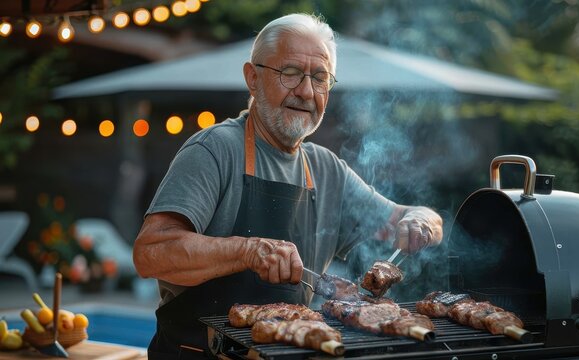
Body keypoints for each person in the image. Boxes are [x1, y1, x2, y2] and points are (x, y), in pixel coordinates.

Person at [133, 13, 443, 359]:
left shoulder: (326, 169)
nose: (307, 91)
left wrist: (422, 220)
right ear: (253, 78)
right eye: (290, 73)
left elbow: (407, 216)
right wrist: (248, 251)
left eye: (320, 78)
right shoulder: (214, 150)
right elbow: (150, 254)